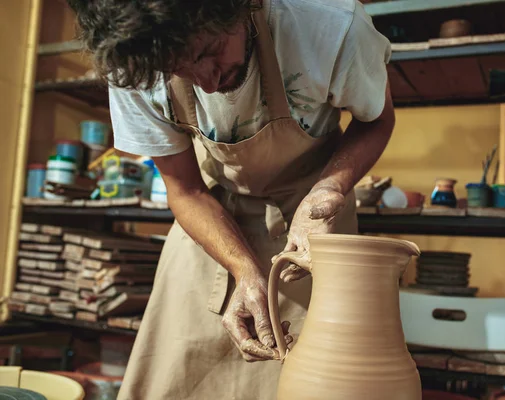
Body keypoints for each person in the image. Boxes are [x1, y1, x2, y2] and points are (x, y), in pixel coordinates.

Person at [67, 0, 394, 398]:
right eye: (180, 69)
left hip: (316, 217)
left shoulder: (330, 29)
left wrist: (328, 189)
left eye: (209, 52)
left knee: (320, 376)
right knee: (175, 375)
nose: (206, 82)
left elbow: (376, 120)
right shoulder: (134, 65)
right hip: (211, 213)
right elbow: (185, 190)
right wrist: (243, 268)